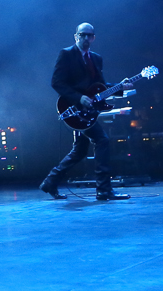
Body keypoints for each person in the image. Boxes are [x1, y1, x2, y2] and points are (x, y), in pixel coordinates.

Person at [39, 22, 128, 201]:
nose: (86, 38)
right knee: (102, 140)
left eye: (89, 35)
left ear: (94, 38)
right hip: (73, 108)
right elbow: (57, 82)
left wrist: (120, 87)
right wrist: (79, 98)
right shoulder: (66, 54)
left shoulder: (96, 58)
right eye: (82, 35)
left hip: (87, 113)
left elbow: (100, 86)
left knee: (79, 151)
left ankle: (50, 182)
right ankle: (103, 190)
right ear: (76, 36)